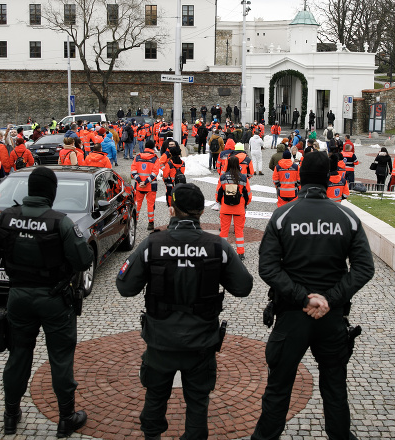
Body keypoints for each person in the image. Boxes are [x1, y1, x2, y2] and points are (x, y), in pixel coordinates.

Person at [252, 151, 375, 440]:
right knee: (335, 389)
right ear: (330, 177)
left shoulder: (283, 215)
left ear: (300, 177)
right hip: (331, 318)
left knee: (279, 388)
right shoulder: (347, 216)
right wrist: (330, 299)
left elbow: (267, 268)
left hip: (293, 314)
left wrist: (304, 298)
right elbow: (364, 268)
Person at [116, 183, 253, 440]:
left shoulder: (153, 244)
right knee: (198, 403)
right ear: (202, 211)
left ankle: (152, 436)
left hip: (160, 342)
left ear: (172, 209)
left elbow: (125, 287)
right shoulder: (217, 246)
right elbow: (244, 287)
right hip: (201, 343)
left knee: (155, 397)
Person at [0, 167, 93, 437]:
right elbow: (83, 260)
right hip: (54, 298)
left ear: (29, 189)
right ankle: (66, 418)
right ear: (52, 192)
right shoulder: (61, 222)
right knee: (61, 358)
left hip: (18, 295)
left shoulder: (5, 217)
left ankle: (11, 415)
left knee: (18, 356)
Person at [216, 155, 251, 259]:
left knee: (224, 231)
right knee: (239, 231)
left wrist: (220, 202)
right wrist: (245, 204)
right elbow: (248, 194)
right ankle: (240, 253)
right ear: (238, 165)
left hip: (225, 207)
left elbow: (218, 193)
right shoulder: (243, 178)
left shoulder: (223, 177)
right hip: (239, 208)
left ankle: (222, 253)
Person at [132, 140, 160, 231]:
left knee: (137, 204)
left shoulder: (137, 157)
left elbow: (133, 171)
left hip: (139, 186)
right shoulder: (155, 158)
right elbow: (155, 173)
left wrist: (140, 181)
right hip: (151, 186)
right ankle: (151, 223)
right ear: (152, 148)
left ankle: (134, 222)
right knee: (150, 205)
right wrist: (146, 182)